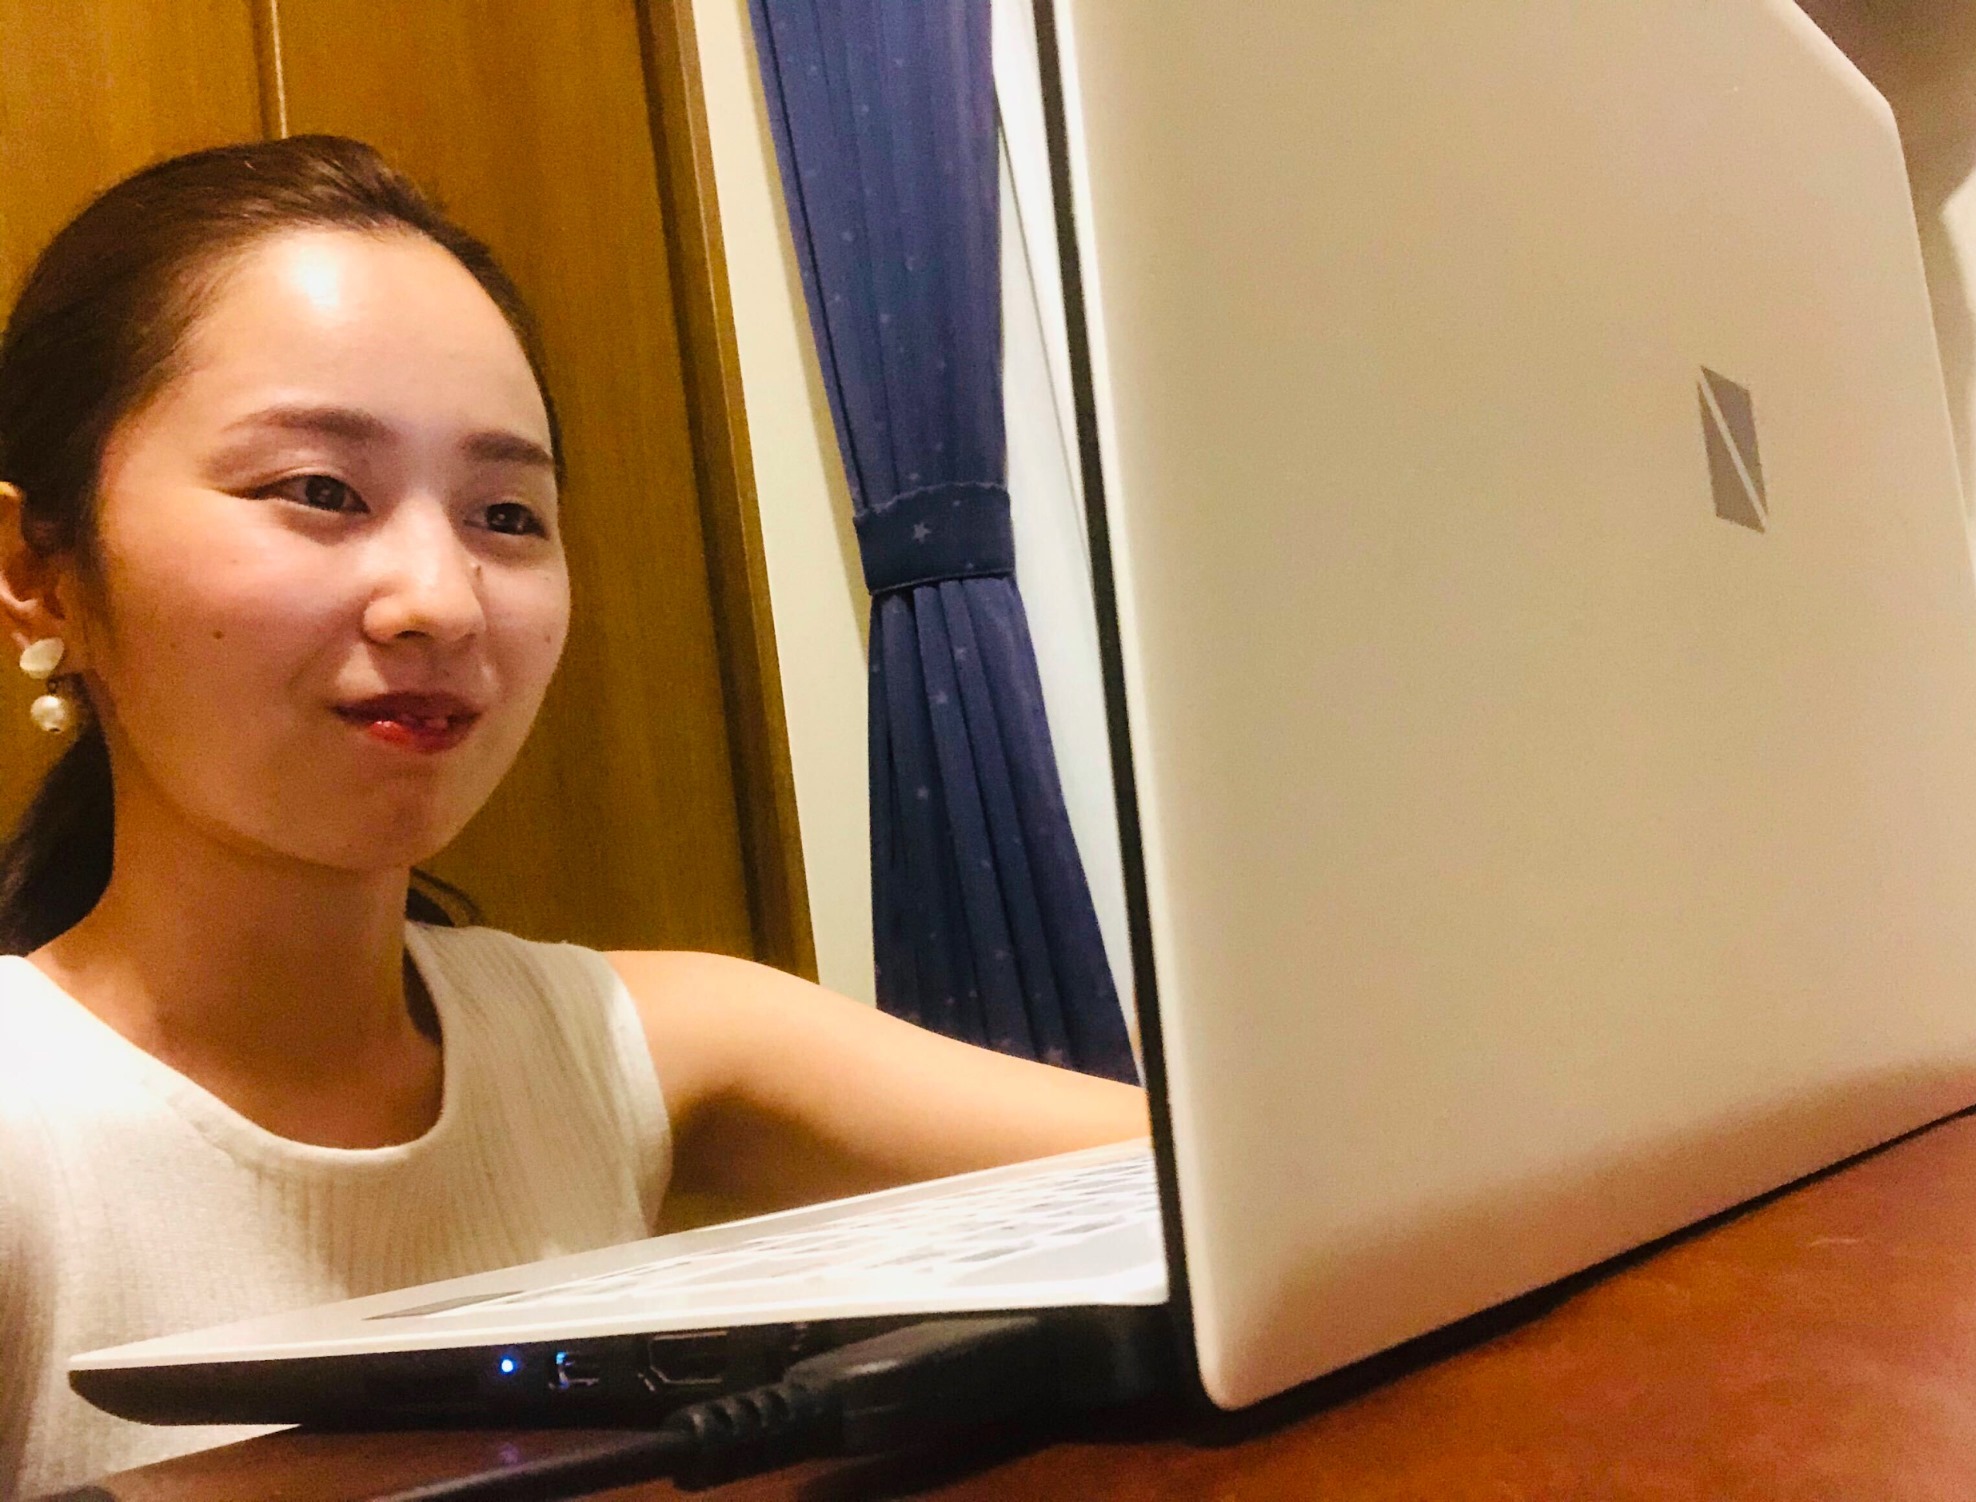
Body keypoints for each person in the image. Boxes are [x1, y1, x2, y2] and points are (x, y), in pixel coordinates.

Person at [0, 136, 1147, 1498]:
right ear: (38, 572)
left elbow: (1225, 1188)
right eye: (318, 491)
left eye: (505, 513)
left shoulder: (624, 1041)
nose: (440, 601)